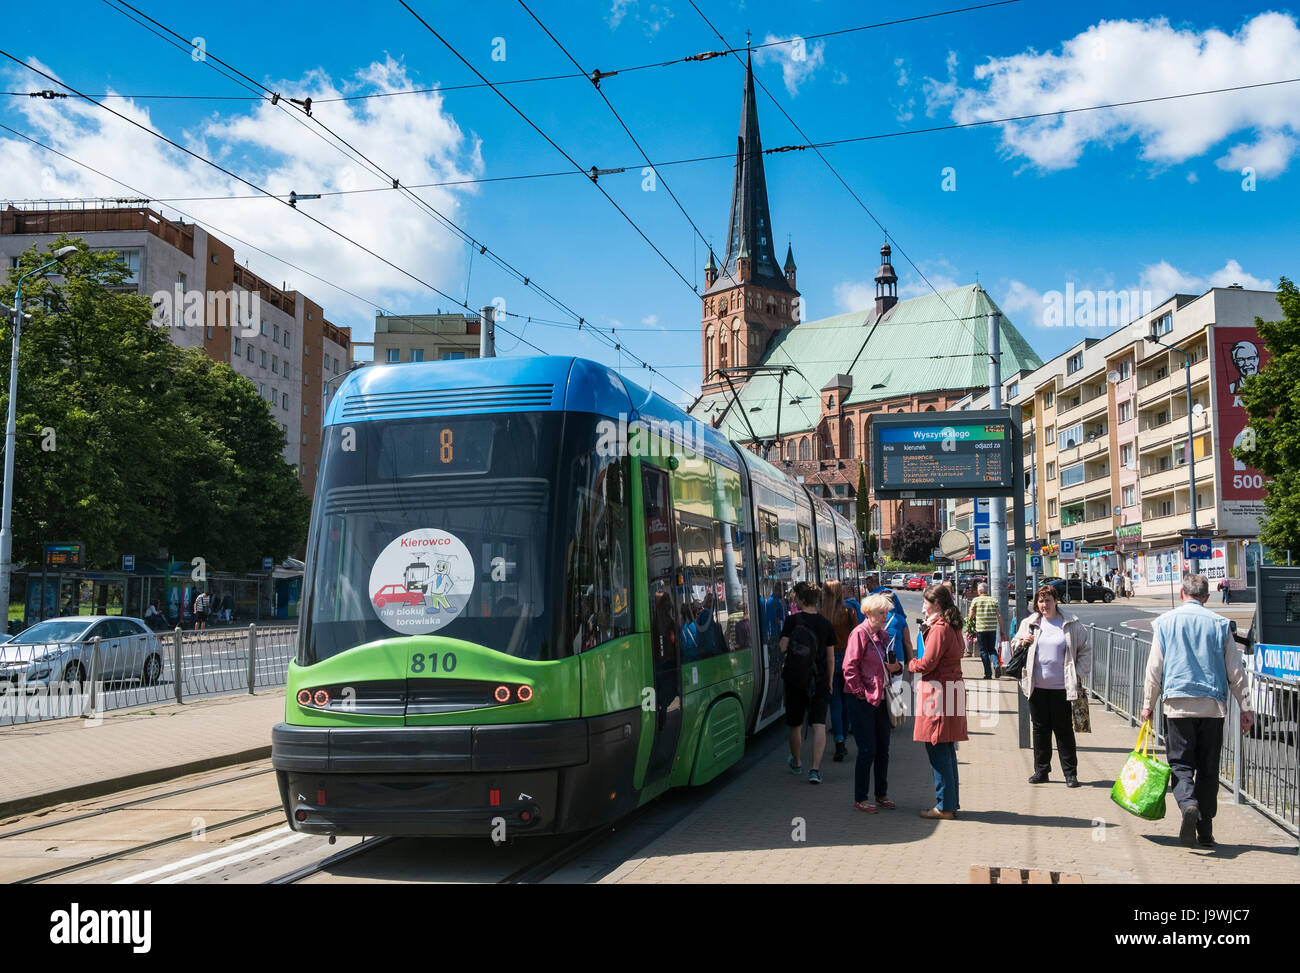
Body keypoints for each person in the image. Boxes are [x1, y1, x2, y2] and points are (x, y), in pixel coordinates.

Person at [1141, 574, 1254, 849]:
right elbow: (1235, 671)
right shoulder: (1220, 625)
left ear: (1182, 594)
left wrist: (1148, 704)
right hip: (1212, 707)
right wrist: (1246, 707)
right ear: (1206, 597)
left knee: (1180, 765)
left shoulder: (1165, 623)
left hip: (1178, 705)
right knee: (1208, 769)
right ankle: (1205, 831)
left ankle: (1188, 803)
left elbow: (1155, 668)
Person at [1010, 584, 1091, 787]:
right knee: (1040, 729)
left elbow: (1085, 650)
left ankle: (1070, 774)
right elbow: (1014, 644)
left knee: (1063, 730)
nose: (1044, 605)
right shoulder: (1030, 623)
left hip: (1061, 687)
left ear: (1056, 601)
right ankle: (1041, 770)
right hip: (1036, 686)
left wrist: (1078, 674)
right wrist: (1021, 642)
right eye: (1040, 601)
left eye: (1047, 600)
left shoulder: (1070, 623)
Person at [908, 584, 968, 819]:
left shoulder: (940, 629)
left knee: (937, 747)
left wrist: (911, 664)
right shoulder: (951, 626)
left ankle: (945, 806)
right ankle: (950, 803)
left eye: (925, 603)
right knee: (946, 748)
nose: (922, 607)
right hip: (950, 689)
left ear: (937, 605)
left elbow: (927, 663)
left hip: (938, 692)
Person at [843, 593, 904, 812]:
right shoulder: (859, 634)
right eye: (881, 612)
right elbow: (849, 667)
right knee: (867, 749)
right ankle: (860, 797)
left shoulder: (884, 635)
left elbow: (893, 663)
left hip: (881, 697)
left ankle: (881, 793)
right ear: (868, 613)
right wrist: (860, 692)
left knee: (883, 749)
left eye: (887, 612)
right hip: (863, 700)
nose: (885, 615)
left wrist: (896, 667)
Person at [779, 580, 835, 784]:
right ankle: (815, 770)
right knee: (819, 723)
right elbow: (830, 658)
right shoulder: (825, 624)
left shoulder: (792, 621)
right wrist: (829, 681)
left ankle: (796, 762)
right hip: (818, 679)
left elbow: (783, 647)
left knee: (794, 724)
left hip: (795, 678)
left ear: (801, 600)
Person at [821, 580, 857, 763]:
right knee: (847, 701)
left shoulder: (822, 615)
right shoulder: (849, 613)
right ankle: (845, 734)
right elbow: (856, 638)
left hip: (829, 660)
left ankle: (839, 741)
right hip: (848, 660)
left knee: (834, 703)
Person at [967, 582, 1004, 680]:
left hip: (981, 629)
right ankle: (996, 664)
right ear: (987, 591)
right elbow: (999, 616)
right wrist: (1001, 629)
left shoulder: (976, 600)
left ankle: (988, 674)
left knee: (983, 651)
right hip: (992, 629)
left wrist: (969, 624)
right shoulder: (993, 600)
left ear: (979, 591)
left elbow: (970, 616)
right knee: (992, 649)